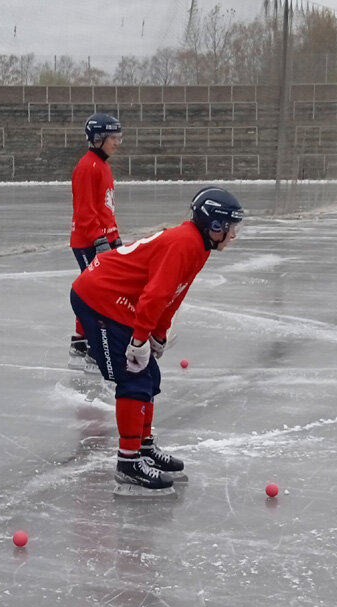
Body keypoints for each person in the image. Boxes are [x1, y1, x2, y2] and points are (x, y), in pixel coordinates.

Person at [70, 186, 244, 497]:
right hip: (100, 297)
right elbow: (155, 296)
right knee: (133, 376)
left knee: (150, 375)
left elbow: (174, 295)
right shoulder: (185, 243)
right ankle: (128, 463)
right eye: (231, 226)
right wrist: (138, 340)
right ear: (214, 225)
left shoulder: (198, 245)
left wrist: (158, 334)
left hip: (118, 298)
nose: (234, 235)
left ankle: (144, 446)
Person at [68, 113, 123, 368]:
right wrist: (99, 239)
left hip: (102, 237)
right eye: (113, 137)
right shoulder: (86, 167)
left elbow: (105, 208)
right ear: (98, 138)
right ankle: (94, 346)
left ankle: (81, 340)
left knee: (96, 291)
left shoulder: (102, 165)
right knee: (98, 294)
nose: (117, 142)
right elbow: (85, 211)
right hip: (88, 240)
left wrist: (114, 236)